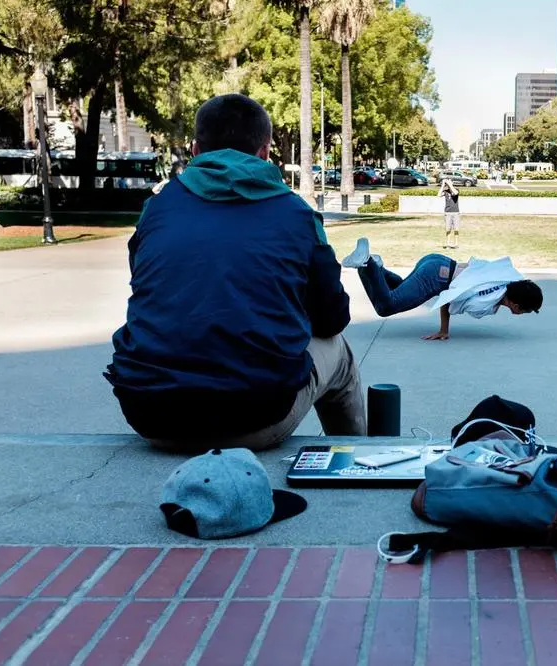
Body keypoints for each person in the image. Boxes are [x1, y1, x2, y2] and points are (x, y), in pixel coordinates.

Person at [105, 93, 366, 453]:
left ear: (196, 149)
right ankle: (358, 461)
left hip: (148, 411)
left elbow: (150, 282)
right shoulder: (297, 215)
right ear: (265, 151)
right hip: (255, 415)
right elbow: (332, 319)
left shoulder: (157, 208)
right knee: (340, 352)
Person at [340, 237, 543, 341]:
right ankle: (367, 262)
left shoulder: (505, 278)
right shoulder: (489, 300)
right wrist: (443, 330)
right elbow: (449, 299)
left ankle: (377, 266)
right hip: (436, 277)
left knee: (400, 290)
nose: (523, 313)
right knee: (387, 306)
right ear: (516, 305)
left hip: (436, 261)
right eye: (525, 310)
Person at [440, 178, 461, 248]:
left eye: (450, 181)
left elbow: (455, 193)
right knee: (448, 229)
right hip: (447, 212)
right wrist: (443, 185)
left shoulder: (456, 189)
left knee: (456, 229)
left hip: (456, 212)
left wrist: (449, 184)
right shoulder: (445, 191)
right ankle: (448, 243)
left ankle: (456, 244)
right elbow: (438, 195)